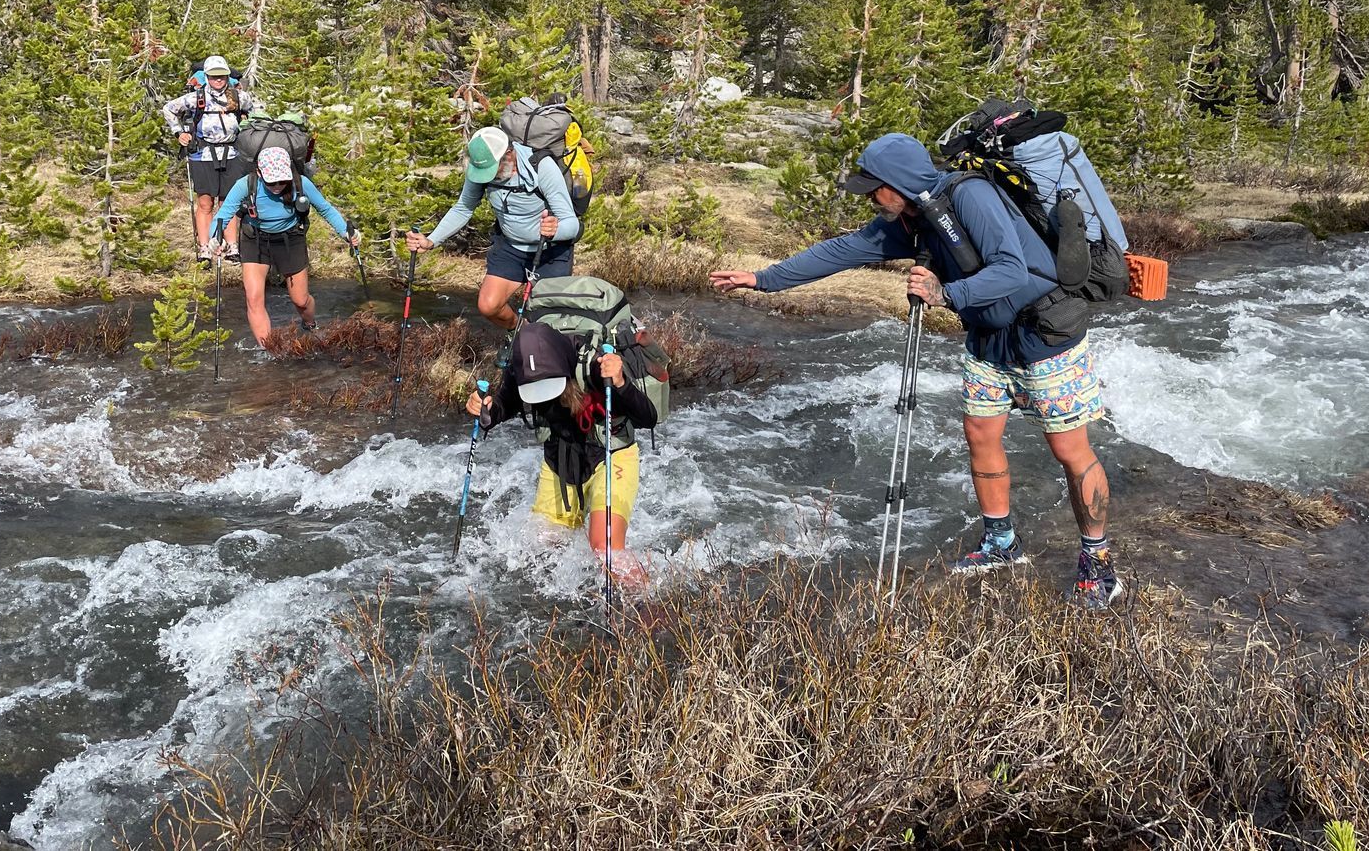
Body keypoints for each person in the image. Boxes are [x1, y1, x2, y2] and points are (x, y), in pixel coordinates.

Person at [708, 131, 1122, 610]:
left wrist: (946, 295)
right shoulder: (910, 219)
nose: (869, 198)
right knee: (980, 436)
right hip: (988, 340)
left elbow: (1010, 269)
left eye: (874, 188)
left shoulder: (970, 195)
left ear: (899, 182)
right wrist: (762, 279)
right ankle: (1001, 543)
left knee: (1069, 449)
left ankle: (1098, 563)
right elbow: (841, 251)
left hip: (1045, 335)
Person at [465, 317, 660, 587]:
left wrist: (620, 383)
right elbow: (504, 404)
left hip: (611, 456)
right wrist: (486, 410)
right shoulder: (520, 367)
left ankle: (649, 602)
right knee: (539, 550)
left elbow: (649, 418)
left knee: (605, 550)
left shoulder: (594, 364)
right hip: (559, 460)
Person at [407, 124, 580, 329]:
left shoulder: (541, 166)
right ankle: (521, 332)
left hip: (550, 251)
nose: (486, 176)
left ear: (509, 154)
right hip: (510, 247)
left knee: (550, 322)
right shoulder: (480, 170)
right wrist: (431, 240)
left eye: (492, 169)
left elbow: (572, 224)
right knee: (489, 306)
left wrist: (555, 230)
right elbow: (463, 208)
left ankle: (543, 340)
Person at [207, 146, 361, 347]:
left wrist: (346, 233)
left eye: (282, 181)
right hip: (255, 240)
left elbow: (326, 209)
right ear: (259, 173)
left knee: (301, 300)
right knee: (253, 299)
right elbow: (223, 215)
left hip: (291, 239)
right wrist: (215, 237)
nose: (278, 186)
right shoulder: (245, 185)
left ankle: (310, 324)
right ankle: (269, 349)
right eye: (272, 182)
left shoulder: (301, 183)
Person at [161, 56, 261, 259]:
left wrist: (251, 131)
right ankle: (205, 248)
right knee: (206, 203)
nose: (218, 79)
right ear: (206, 77)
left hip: (232, 154)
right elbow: (168, 109)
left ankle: (231, 246)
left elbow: (257, 113)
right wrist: (179, 133)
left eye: (222, 75)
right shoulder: (195, 98)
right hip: (203, 155)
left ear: (227, 76)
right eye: (214, 76)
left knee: (228, 202)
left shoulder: (239, 97)